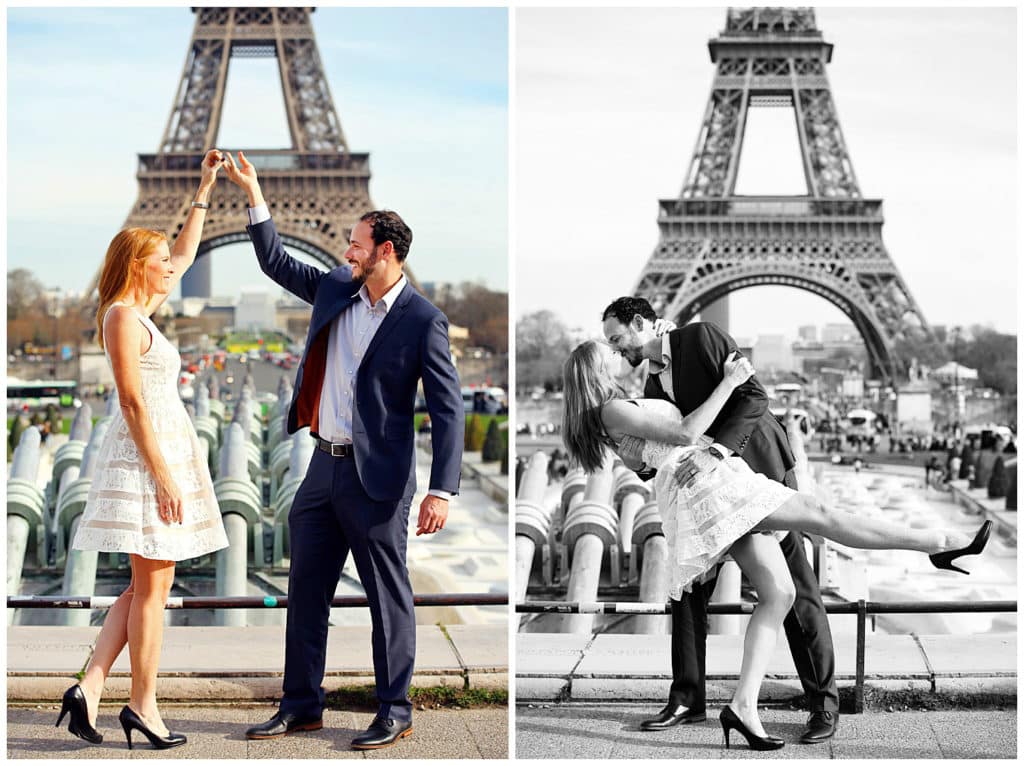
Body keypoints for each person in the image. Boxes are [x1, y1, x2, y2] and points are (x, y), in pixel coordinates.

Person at [562, 338, 992, 750]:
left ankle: (743, 707)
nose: (618, 353)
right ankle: (940, 541)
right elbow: (684, 433)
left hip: (706, 488)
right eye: (610, 352)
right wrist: (729, 383)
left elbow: (644, 460)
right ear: (596, 371)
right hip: (712, 489)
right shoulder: (613, 409)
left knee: (781, 593)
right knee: (821, 517)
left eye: (617, 344)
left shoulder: (611, 412)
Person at [221, 151, 464, 751]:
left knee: (387, 595)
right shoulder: (335, 288)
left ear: (385, 251)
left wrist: (442, 488)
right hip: (321, 468)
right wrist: (253, 192)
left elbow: (448, 405)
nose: (346, 252)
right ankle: (302, 705)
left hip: (378, 479)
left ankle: (394, 707)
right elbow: (278, 260)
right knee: (305, 590)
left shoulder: (424, 319)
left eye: (355, 245)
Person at [600, 296, 840, 745]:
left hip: (757, 471)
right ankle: (688, 698)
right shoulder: (651, 388)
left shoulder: (702, 337)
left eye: (618, 339)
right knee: (689, 590)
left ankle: (823, 703)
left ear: (640, 323)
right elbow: (669, 448)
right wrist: (639, 462)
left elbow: (753, 396)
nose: (617, 351)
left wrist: (717, 451)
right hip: (705, 497)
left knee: (796, 587)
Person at [60, 149, 230, 750]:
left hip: (155, 450)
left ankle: (91, 686)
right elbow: (132, 402)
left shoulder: (140, 311)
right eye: (158, 262)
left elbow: (186, 253)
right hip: (146, 458)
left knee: (140, 587)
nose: (170, 269)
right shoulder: (122, 318)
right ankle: (144, 707)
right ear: (137, 264)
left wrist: (204, 188)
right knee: (155, 589)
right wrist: (162, 476)